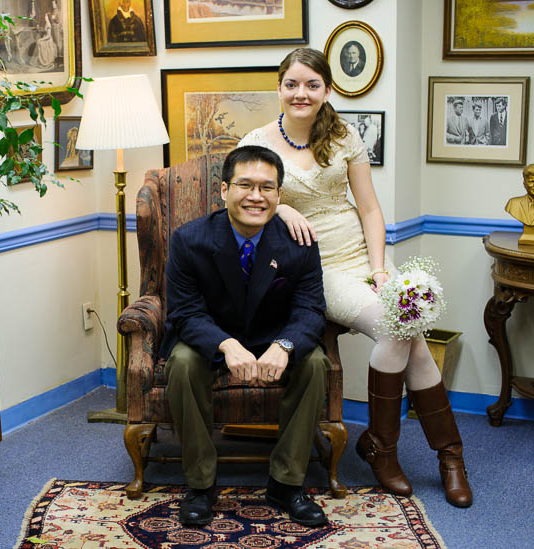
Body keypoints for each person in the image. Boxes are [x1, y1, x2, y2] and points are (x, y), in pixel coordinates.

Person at [238, 47, 473, 508]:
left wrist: (381, 268)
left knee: (413, 331)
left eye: (311, 84)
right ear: (279, 88)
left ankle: (439, 455)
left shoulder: (344, 135)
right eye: (292, 84)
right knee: (396, 326)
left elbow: (368, 208)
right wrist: (280, 205)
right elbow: (242, 203)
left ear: (327, 89)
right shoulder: (258, 142)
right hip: (311, 267)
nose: (300, 93)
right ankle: (403, 450)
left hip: (362, 258)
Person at [162, 145, 331, 528]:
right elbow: (185, 312)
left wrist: (284, 345)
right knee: (183, 363)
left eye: (267, 188)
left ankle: (286, 484)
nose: (256, 196)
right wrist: (225, 344)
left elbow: (310, 309)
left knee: (316, 363)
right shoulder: (189, 240)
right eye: (245, 185)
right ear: (224, 190)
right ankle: (201, 485)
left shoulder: (299, 243)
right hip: (212, 338)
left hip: (274, 336)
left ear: (279, 195)